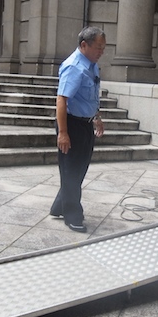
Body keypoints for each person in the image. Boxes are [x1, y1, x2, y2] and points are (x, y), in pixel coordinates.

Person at [49, 26, 106, 232]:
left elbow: (92, 95)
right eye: (98, 48)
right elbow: (62, 100)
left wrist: (96, 117)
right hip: (71, 124)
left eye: (103, 48)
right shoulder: (74, 66)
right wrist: (63, 133)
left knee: (78, 168)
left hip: (85, 123)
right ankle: (73, 215)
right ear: (84, 45)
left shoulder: (91, 65)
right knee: (72, 170)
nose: (101, 52)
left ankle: (59, 206)